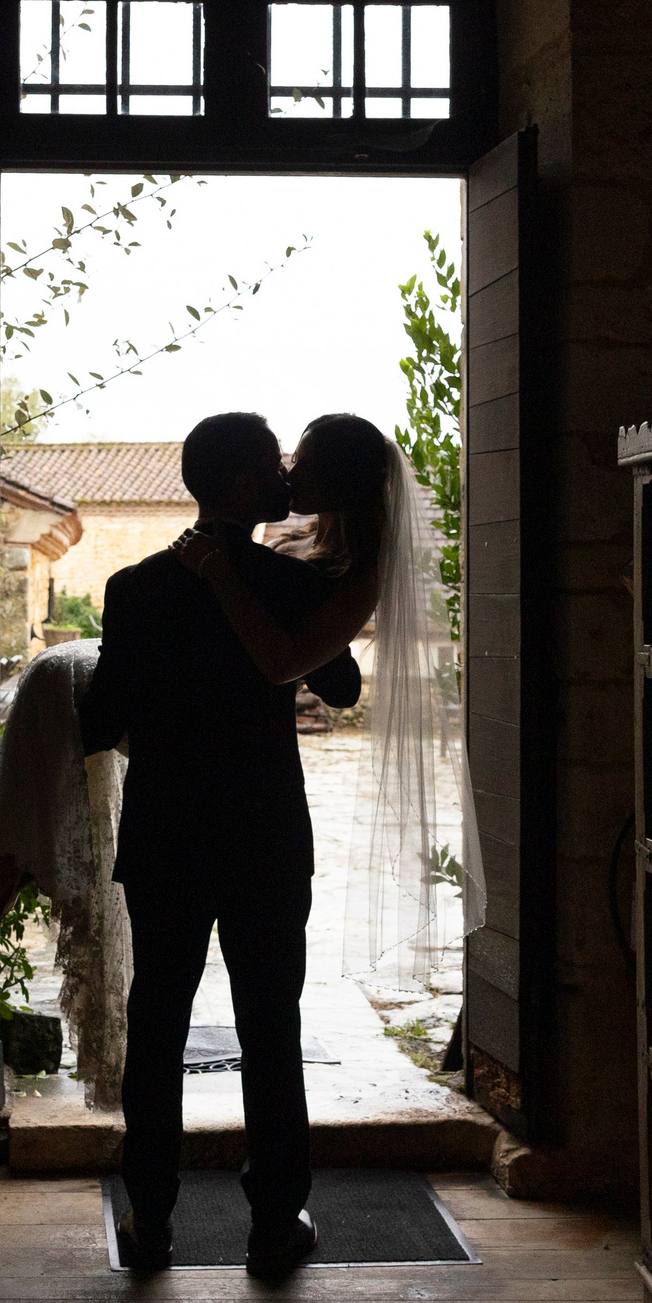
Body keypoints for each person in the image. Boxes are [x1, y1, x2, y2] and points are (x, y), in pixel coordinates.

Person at [80, 412, 363, 1278]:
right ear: (241, 485)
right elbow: (343, 686)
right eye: (269, 460)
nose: (283, 473)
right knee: (271, 1026)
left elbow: (100, 721)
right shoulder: (284, 583)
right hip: (265, 835)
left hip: (165, 831)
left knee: (158, 1023)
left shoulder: (133, 587)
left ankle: (150, 1221)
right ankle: (275, 1221)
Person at [174, 413, 481, 989]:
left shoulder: (359, 570)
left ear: (339, 481)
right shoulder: (293, 548)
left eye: (306, 465)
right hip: (244, 795)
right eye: (290, 458)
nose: (290, 472)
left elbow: (291, 666)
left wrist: (221, 574)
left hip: (252, 800)